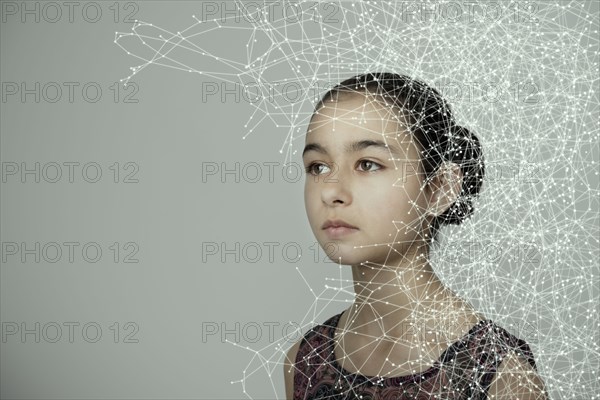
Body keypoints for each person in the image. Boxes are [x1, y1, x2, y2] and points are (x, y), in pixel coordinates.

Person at [283, 73, 548, 399]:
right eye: (318, 167)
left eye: (367, 164)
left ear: (440, 188)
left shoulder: (500, 374)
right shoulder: (305, 360)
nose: (332, 192)